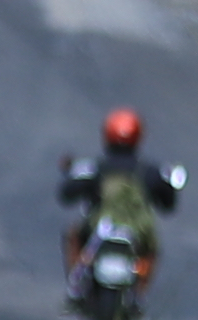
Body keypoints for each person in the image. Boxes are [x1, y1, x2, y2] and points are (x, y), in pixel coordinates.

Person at [61, 108, 185, 264]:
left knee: (73, 235)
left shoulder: (98, 168)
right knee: (152, 248)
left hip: (100, 228)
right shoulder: (150, 172)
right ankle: (141, 281)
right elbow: (168, 204)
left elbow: (66, 194)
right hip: (138, 233)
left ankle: (77, 279)